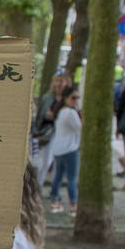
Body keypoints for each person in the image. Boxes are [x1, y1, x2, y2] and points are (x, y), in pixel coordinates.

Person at [47, 85, 82, 214]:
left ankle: (54, 201)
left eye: (77, 98)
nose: (76, 100)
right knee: (72, 178)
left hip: (58, 148)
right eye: (73, 98)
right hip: (70, 149)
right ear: (66, 98)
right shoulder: (71, 113)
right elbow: (80, 128)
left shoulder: (60, 111)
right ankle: (73, 204)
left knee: (58, 177)